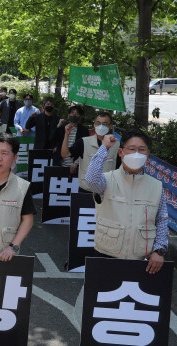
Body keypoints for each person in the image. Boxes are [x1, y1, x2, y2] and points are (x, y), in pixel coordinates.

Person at [85, 130, 167, 274]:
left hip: (141, 259)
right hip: (106, 255)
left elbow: (161, 220)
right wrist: (104, 147)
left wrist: (159, 251)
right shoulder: (107, 180)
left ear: (147, 155)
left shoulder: (156, 186)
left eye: (141, 150)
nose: (136, 154)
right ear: (121, 153)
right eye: (132, 149)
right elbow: (91, 179)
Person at [61, 111, 120, 191]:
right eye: (98, 123)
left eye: (105, 124)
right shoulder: (84, 142)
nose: (101, 126)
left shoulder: (116, 145)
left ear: (110, 126)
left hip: (107, 191)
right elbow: (65, 154)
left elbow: (119, 169)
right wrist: (66, 134)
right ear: (94, 125)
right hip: (86, 190)